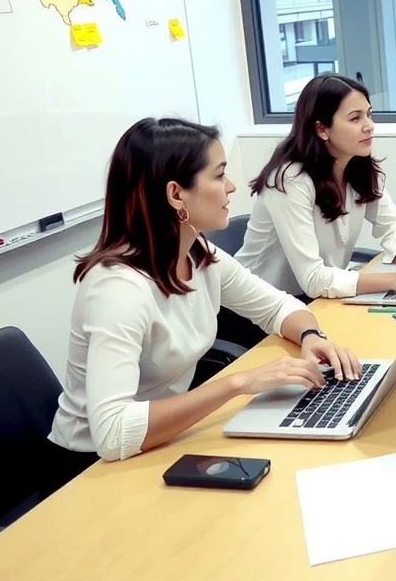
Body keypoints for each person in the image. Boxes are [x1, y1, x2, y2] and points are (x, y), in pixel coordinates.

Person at [46, 118, 361, 488]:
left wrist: (310, 335)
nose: (231, 187)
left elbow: (277, 307)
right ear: (177, 195)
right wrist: (237, 383)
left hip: (163, 441)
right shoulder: (118, 289)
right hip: (90, 470)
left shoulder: (198, 253)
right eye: (219, 175)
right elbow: (112, 434)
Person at [236, 74, 396, 301]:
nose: (370, 126)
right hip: (257, 306)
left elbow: (392, 225)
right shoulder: (290, 180)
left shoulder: (357, 166)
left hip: (314, 299)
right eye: (355, 119)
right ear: (322, 129)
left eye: (369, 115)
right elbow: (313, 279)